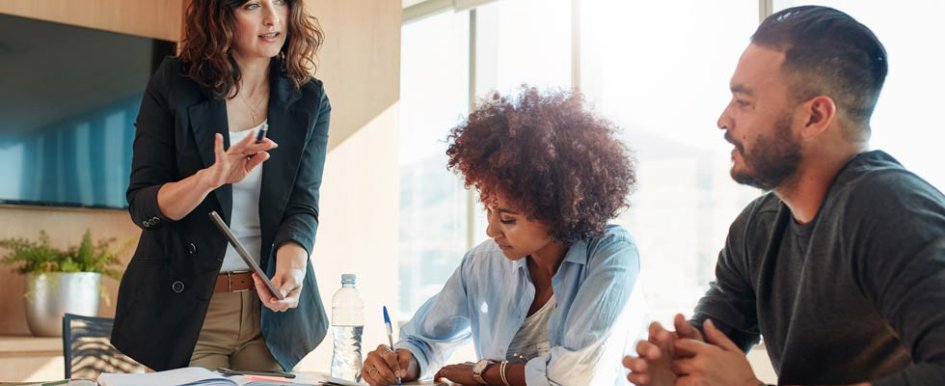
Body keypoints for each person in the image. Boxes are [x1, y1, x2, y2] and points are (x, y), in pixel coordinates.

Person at [623, 5, 945, 386]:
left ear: (814, 117)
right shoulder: (756, 228)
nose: (723, 120)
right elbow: (708, 343)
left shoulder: (891, 209)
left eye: (744, 103)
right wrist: (676, 368)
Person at [360, 87, 649, 386]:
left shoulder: (613, 256)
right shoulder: (483, 264)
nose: (491, 230)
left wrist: (485, 373)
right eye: (489, 211)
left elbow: (579, 375)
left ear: (557, 210)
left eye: (508, 219)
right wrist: (402, 362)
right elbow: (423, 340)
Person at [111, 0, 331, 373]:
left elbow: (302, 205)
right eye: (251, 5)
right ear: (221, 15)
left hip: (269, 318)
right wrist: (209, 179)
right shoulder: (174, 84)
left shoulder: (309, 98)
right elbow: (143, 204)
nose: (271, 18)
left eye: (279, 1)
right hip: (190, 311)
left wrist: (293, 268)